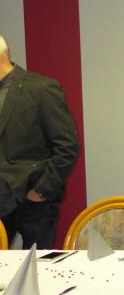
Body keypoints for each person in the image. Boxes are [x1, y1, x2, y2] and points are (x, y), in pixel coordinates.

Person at [0, 35, 80, 249]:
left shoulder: (41, 88)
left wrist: (41, 191)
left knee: (37, 266)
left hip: (33, 202)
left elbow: (67, 146)